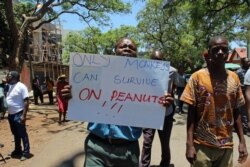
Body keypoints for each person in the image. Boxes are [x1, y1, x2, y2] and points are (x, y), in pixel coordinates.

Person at [60, 37, 174, 167]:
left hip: (128, 151)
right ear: (115, 51)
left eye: (132, 47)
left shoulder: (147, 80)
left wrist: (163, 103)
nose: (127, 48)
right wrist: (72, 95)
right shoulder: (97, 73)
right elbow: (84, 95)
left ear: (136, 54)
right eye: (123, 46)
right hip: (96, 146)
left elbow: (153, 107)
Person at [181, 36, 248, 167]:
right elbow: (191, 113)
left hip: (226, 146)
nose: (220, 52)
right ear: (209, 52)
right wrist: (189, 144)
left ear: (228, 53)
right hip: (202, 145)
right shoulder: (197, 77)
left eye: (224, 49)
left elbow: (236, 112)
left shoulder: (234, 78)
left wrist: (242, 141)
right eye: (216, 49)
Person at [140, 50, 177, 167]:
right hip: (148, 114)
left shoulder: (172, 71)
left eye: (160, 61)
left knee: (165, 143)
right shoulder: (143, 71)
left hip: (165, 114)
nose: (157, 63)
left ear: (164, 60)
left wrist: (170, 98)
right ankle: (144, 165)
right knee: (147, 142)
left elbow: (174, 88)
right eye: (154, 61)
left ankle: (165, 164)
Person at [6, 71, 30, 161]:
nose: (7, 77)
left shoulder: (21, 86)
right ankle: (17, 150)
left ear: (14, 77)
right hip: (11, 114)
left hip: (19, 113)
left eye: (8, 76)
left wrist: (24, 115)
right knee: (15, 133)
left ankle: (26, 152)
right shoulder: (8, 86)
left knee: (22, 134)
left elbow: (26, 101)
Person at [236, 57, 250, 135]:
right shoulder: (239, 72)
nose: (249, 63)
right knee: (244, 111)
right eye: (247, 61)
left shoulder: (249, 71)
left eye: (249, 61)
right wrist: (243, 85)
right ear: (242, 63)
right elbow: (236, 83)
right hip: (243, 93)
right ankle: (246, 129)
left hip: (249, 92)